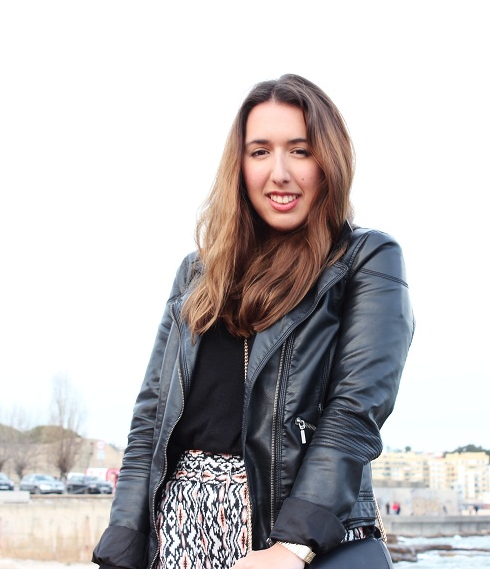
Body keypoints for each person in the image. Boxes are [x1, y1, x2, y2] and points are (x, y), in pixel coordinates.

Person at [92, 74, 414, 569]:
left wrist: (292, 547)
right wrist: (121, 548)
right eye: (260, 151)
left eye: (300, 151)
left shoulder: (365, 258)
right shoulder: (197, 273)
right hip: (178, 535)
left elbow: (355, 412)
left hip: (287, 538)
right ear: (239, 165)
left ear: (329, 161)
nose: (279, 172)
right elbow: (151, 421)